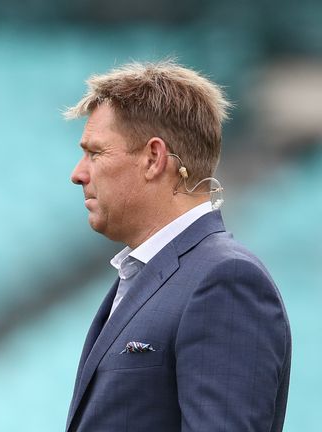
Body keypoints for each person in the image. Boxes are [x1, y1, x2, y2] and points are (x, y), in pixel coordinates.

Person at [63, 61, 291, 431]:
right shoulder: (146, 276)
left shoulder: (224, 280)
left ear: (153, 158)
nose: (79, 173)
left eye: (96, 153)